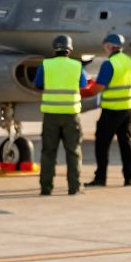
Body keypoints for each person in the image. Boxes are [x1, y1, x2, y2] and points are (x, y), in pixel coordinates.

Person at [33, 34, 91, 196]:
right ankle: (74, 187)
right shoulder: (77, 66)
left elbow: (38, 84)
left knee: (48, 152)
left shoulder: (46, 65)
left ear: (54, 48)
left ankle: (46, 188)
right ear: (69, 49)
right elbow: (84, 84)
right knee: (73, 151)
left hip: (51, 115)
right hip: (71, 116)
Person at [82, 33, 131, 187]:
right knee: (126, 142)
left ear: (108, 46)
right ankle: (129, 177)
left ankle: (100, 177)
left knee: (102, 143)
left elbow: (97, 89)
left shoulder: (109, 64)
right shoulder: (130, 62)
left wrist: (83, 90)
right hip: (127, 109)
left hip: (112, 110)